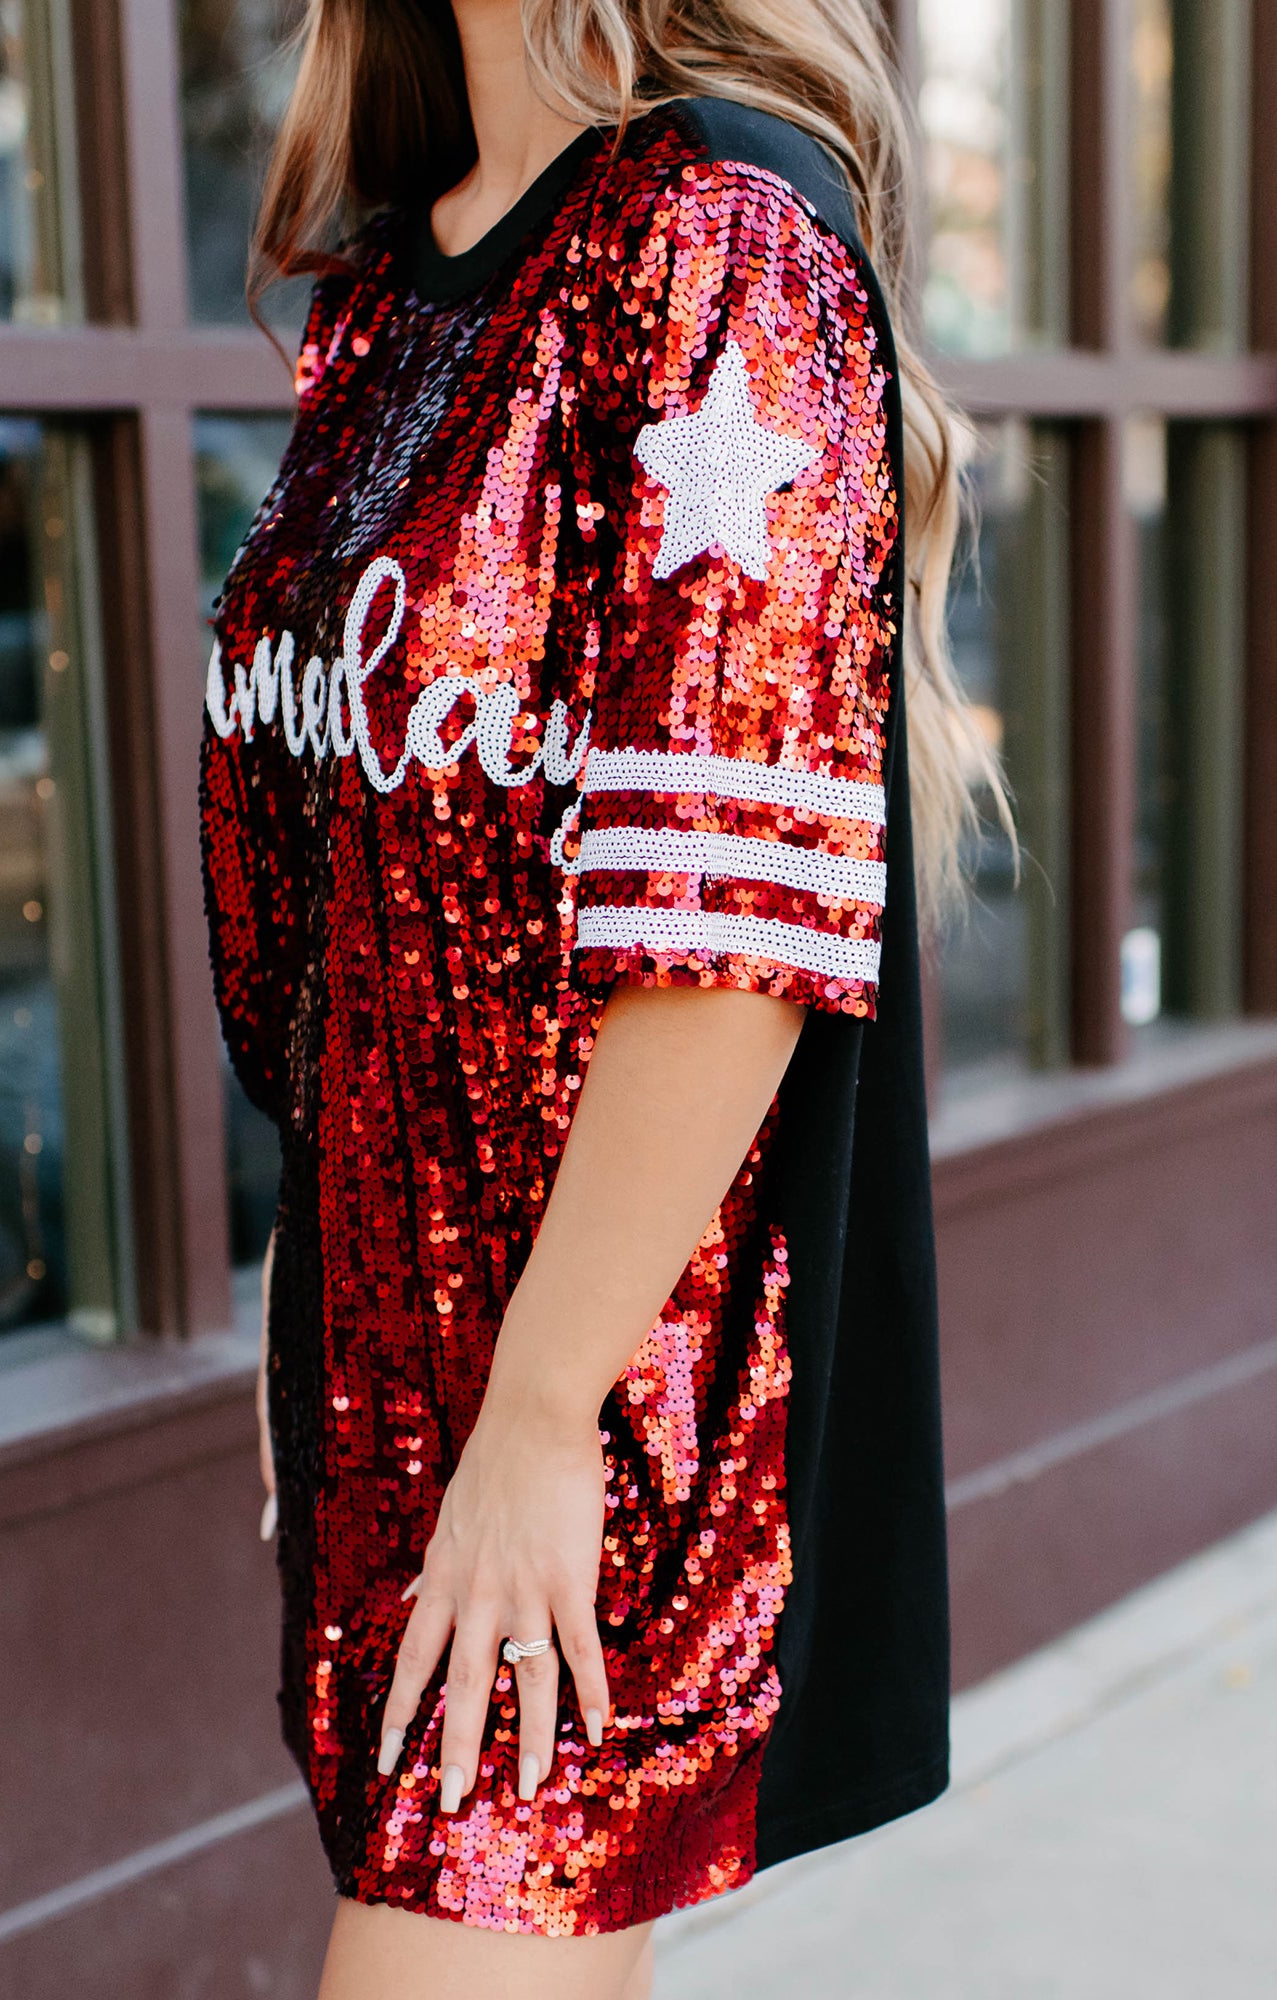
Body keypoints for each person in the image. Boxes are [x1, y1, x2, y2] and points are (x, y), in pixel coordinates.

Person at [198, 3, 1004, 1993]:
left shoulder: (711, 241)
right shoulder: (392, 286)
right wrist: (323, 1304)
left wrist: (544, 1416)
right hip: (406, 1383)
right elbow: (356, 909)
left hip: (593, 1393)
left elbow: (732, 917)